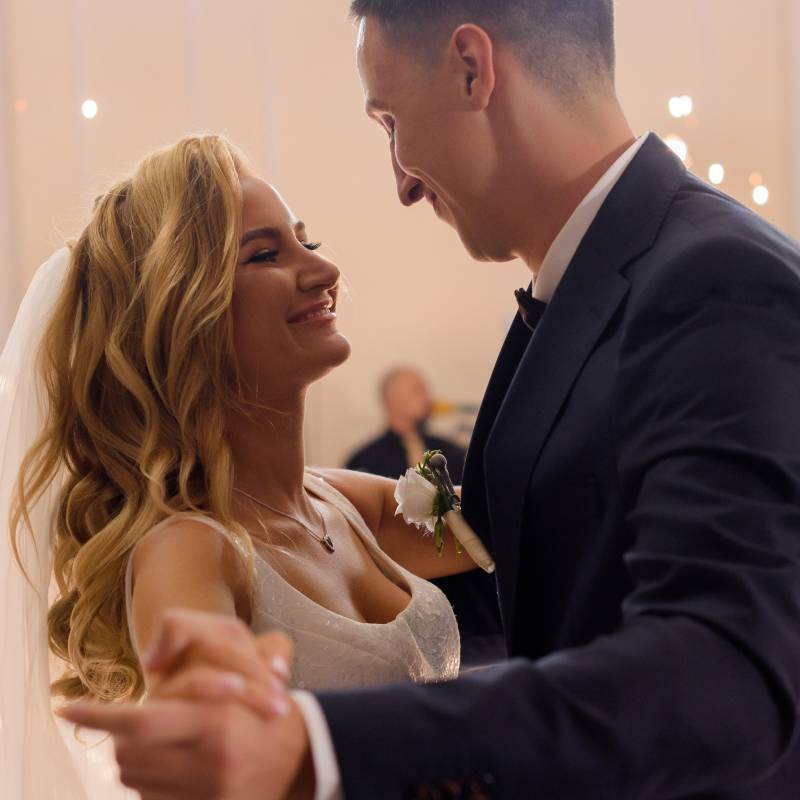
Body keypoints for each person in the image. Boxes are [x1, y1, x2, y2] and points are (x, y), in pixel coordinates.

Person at [65, 1, 800, 798]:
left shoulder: (711, 280)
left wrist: (321, 741)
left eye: (389, 121)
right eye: (269, 252)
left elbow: (725, 670)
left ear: (472, 68)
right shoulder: (582, 308)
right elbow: (528, 585)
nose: (402, 183)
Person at [0, 134, 488, 799]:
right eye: (265, 254)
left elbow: (520, 512)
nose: (323, 271)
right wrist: (204, 697)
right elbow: (203, 713)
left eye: (306, 243)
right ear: (183, 318)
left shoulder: (349, 507)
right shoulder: (189, 550)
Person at [346, 366, 505, 667]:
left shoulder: (455, 453)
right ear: (391, 399)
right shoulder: (363, 460)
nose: (429, 397)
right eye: (418, 390)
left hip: (468, 602)